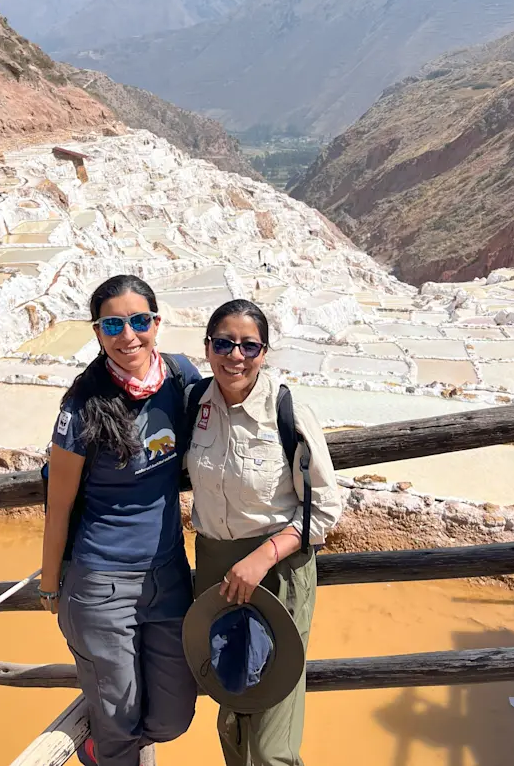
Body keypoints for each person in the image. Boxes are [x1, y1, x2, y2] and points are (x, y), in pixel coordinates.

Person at [40, 274, 201, 766]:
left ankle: (105, 749)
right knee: (119, 720)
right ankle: (106, 753)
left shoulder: (180, 378)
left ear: (156, 322)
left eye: (138, 321)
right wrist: (50, 586)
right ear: (97, 332)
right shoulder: (82, 405)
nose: (127, 334)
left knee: (173, 716)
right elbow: (60, 504)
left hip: (168, 575)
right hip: (102, 582)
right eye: (113, 324)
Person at [186, 299, 342, 766]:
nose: (236, 355)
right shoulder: (194, 404)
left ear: (265, 351)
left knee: (272, 737)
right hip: (215, 569)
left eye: (249, 345)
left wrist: (264, 555)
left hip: (278, 571)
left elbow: (325, 510)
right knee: (231, 701)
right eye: (224, 343)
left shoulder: (287, 411)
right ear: (207, 347)